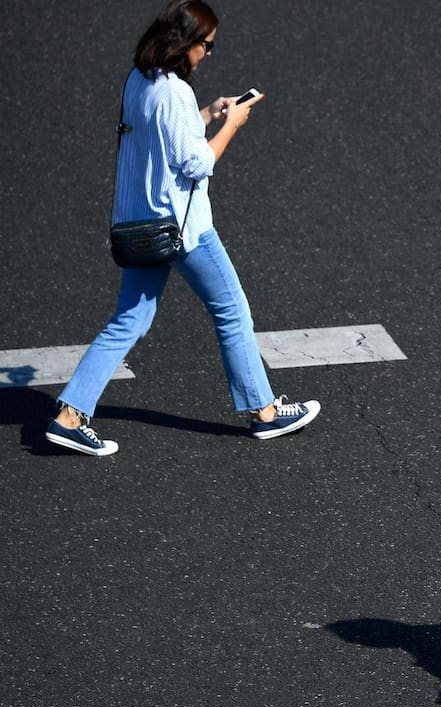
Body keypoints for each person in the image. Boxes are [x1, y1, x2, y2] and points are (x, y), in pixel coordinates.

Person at [45, 0, 319, 457]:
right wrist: (232, 124)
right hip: (181, 228)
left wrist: (208, 111)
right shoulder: (174, 92)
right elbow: (196, 163)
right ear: (184, 42)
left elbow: (158, 136)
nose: (207, 54)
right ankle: (265, 412)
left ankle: (69, 416)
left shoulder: (139, 79)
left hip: (139, 224)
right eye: (206, 45)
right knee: (231, 310)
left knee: (129, 320)